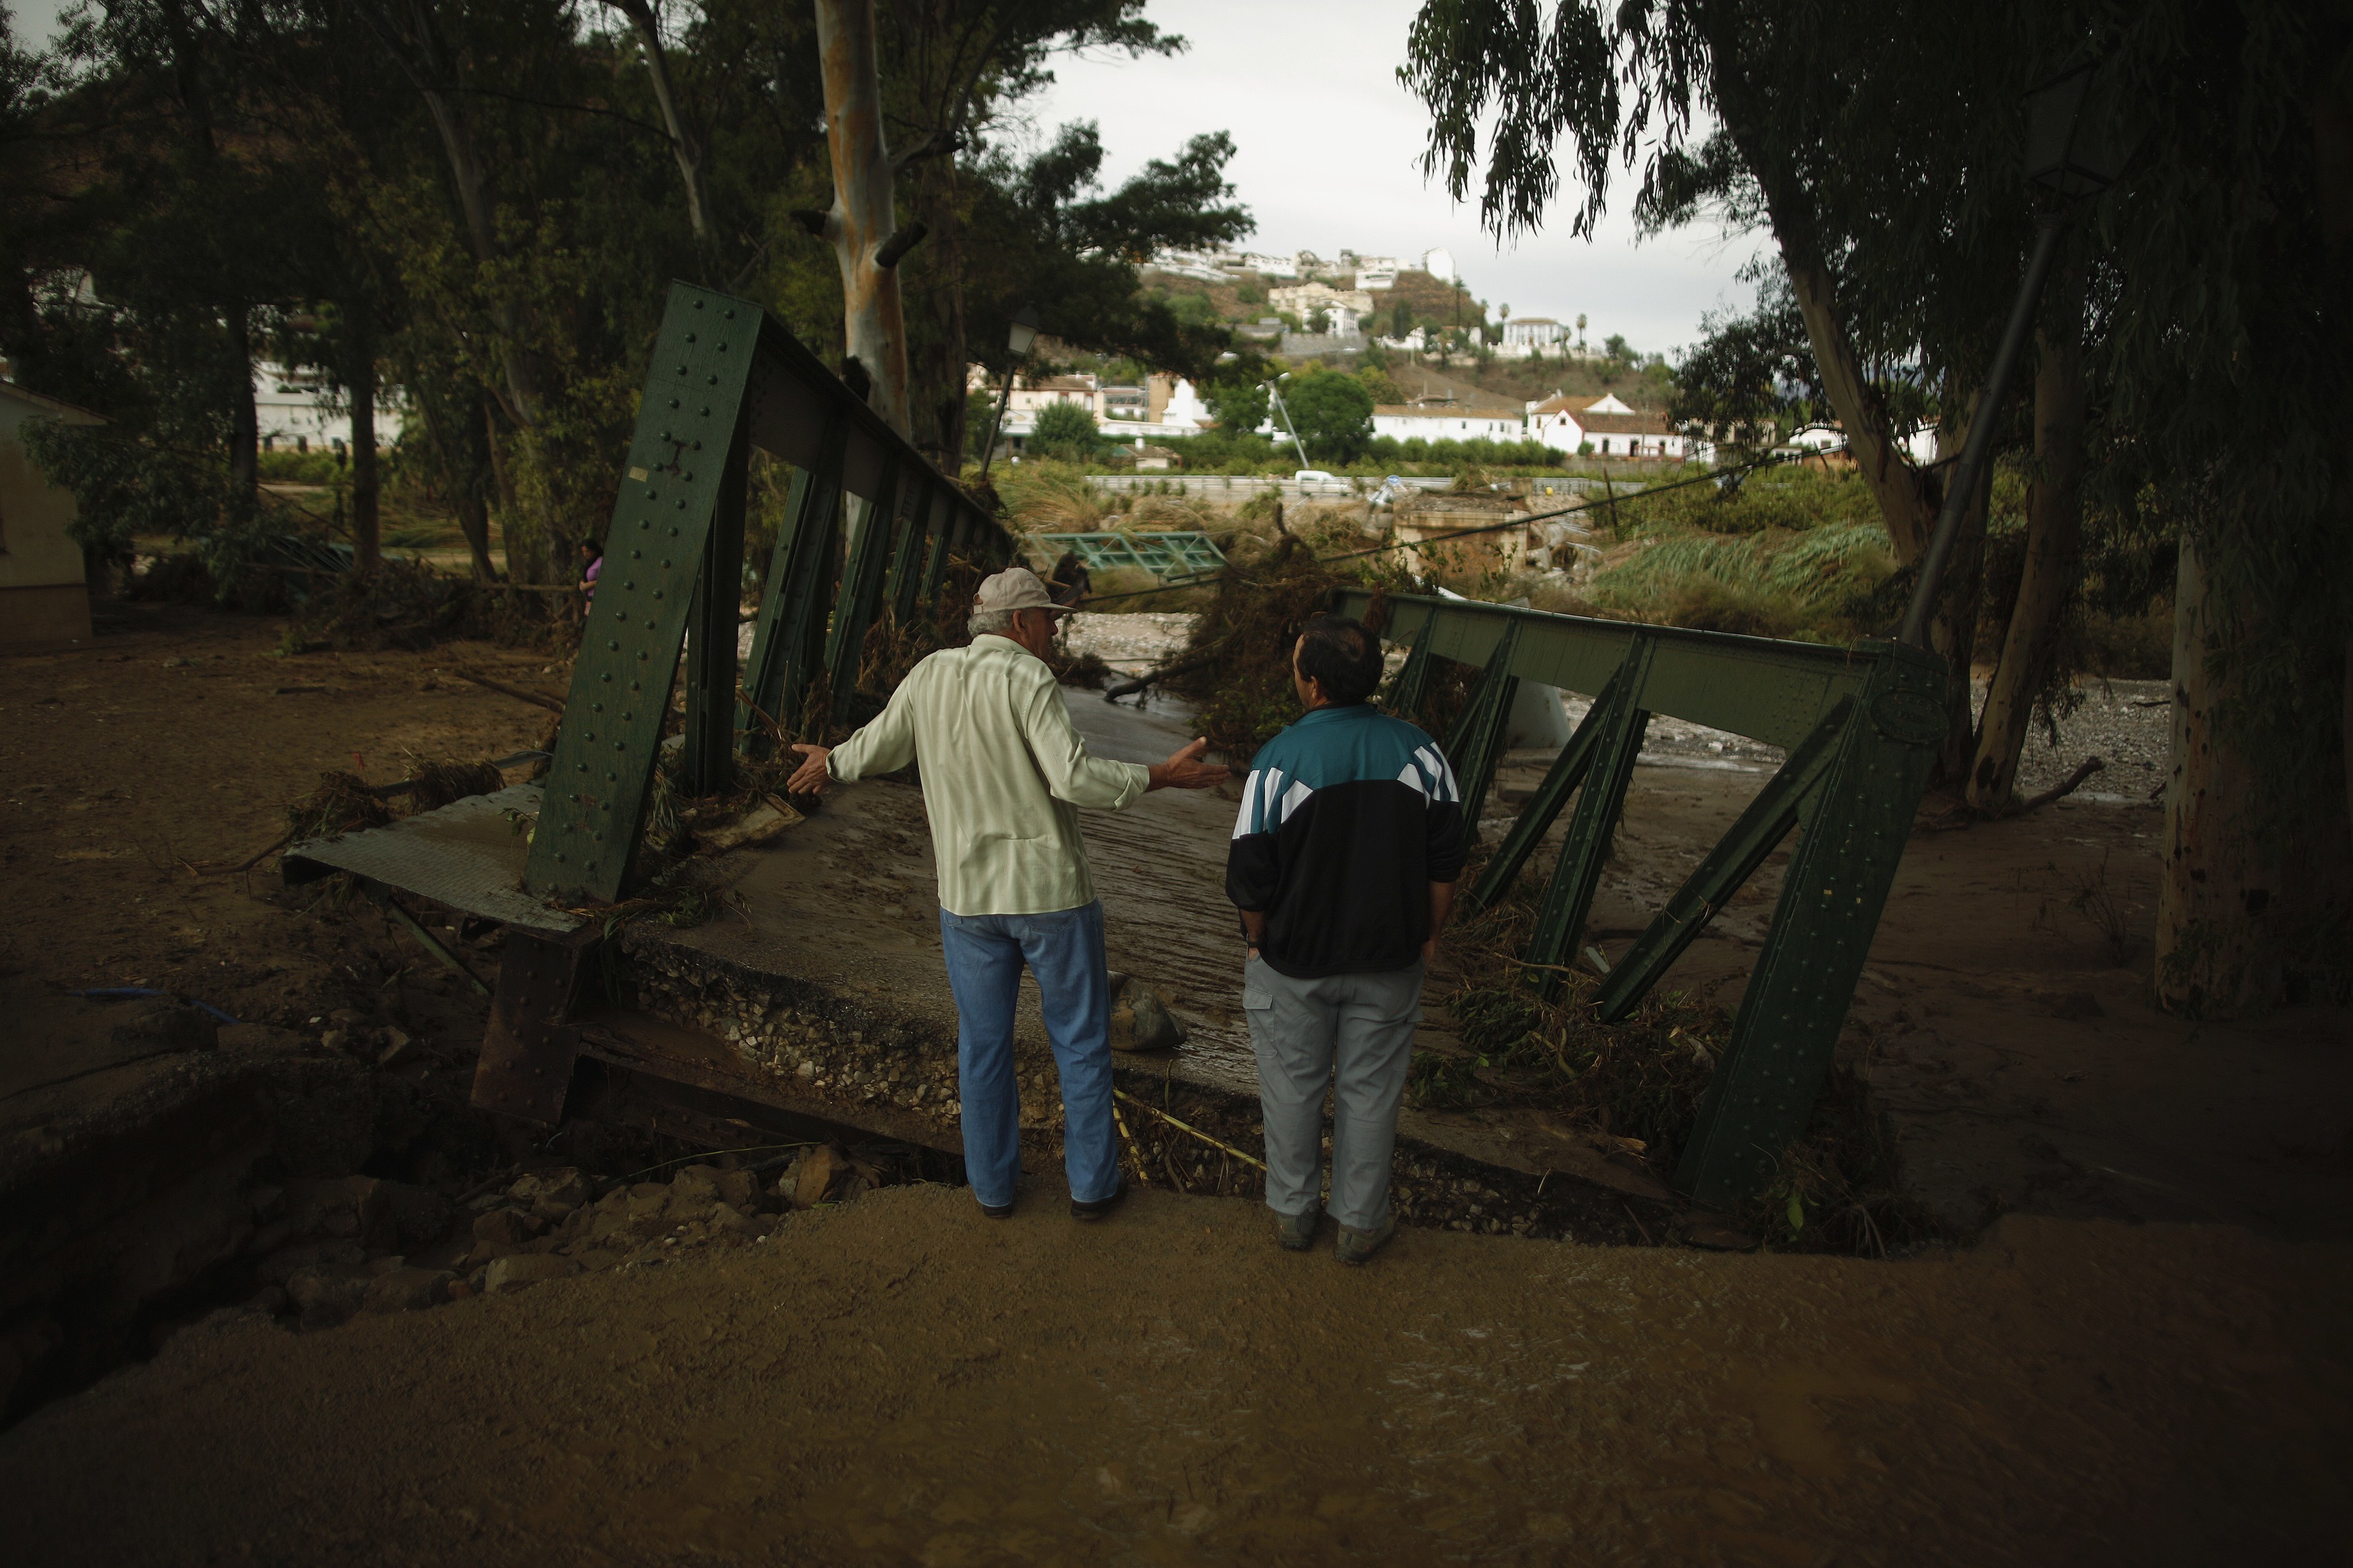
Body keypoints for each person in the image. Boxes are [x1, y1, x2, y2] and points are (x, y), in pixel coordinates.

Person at [787, 567, 1228, 1221]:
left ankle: (992, 1190)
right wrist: (1159, 774)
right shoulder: (1027, 677)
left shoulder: (931, 673)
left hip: (967, 899)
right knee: (1078, 1041)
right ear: (1020, 623)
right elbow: (1072, 777)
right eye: (1048, 619)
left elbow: (877, 747)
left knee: (983, 1044)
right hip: (1049, 893)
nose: (1054, 629)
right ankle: (1090, 1189)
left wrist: (834, 762)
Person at [1226, 613, 1466, 1264]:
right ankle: (1359, 1225)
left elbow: (1249, 874)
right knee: (1370, 1089)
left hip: (1292, 962)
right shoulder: (1422, 753)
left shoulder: (1278, 759)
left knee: (1291, 1086)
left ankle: (1294, 1215)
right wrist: (1428, 935)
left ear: (1311, 685)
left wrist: (1256, 941)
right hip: (1389, 959)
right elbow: (1445, 863)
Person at [577, 538, 603, 611]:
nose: (585, 554)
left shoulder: (600, 561)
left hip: (598, 597)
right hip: (590, 598)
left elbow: (604, 579)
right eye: (583, 552)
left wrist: (587, 585)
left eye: (588, 551)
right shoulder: (589, 563)